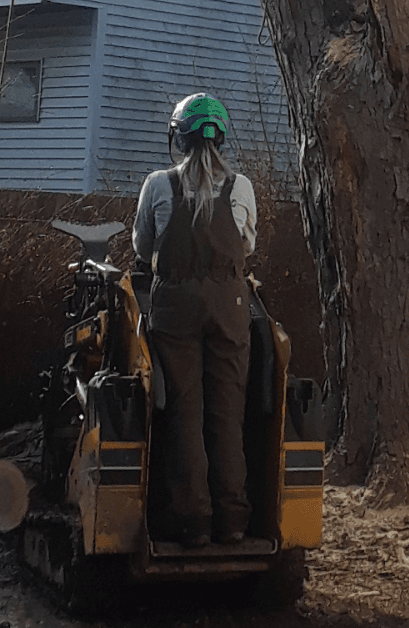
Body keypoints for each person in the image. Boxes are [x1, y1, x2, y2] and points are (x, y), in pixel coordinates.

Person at [133, 93, 258, 548]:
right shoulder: (241, 187)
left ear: (179, 137)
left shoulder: (158, 185)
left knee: (184, 411)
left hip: (176, 308)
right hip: (230, 306)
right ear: (221, 136)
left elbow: (142, 248)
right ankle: (233, 521)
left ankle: (193, 522)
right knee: (227, 414)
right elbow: (246, 248)